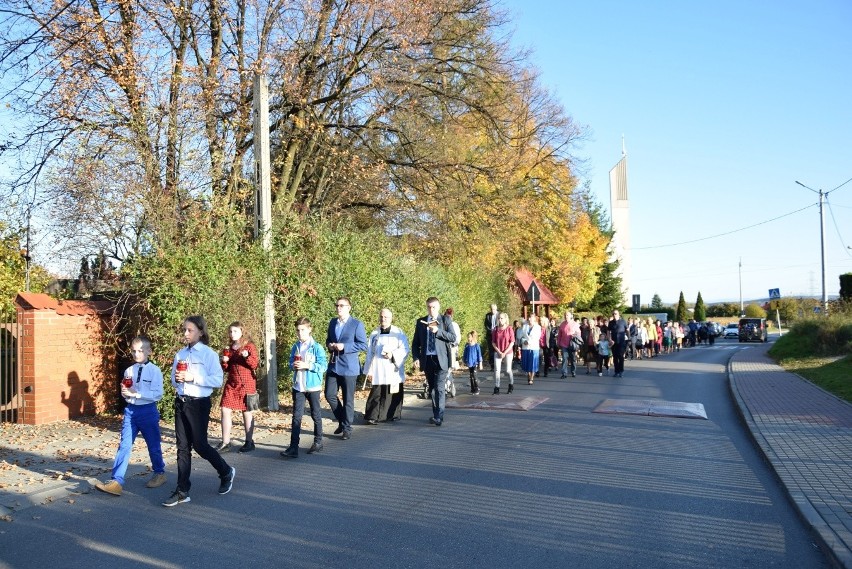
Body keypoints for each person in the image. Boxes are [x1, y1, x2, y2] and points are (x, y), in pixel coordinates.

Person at [163, 315, 235, 507]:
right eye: (184, 330)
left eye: (190, 330)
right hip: (181, 402)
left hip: (199, 404)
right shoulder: (180, 354)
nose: (186, 333)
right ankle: (182, 490)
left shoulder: (208, 354)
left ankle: (226, 471)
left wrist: (192, 377)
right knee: (182, 448)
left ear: (201, 332)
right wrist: (178, 379)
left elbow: (217, 380)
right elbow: (173, 380)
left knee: (200, 445)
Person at [95, 335, 166, 496]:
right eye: (134, 351)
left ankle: (159, 472)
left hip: (148, 411)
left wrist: (137, 394)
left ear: (149, 351)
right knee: (124, 445)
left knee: (153, 445)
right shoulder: (129, 370)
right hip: (131, 411)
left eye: (140, 351)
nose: (136, 354)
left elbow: (158, 394)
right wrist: (126, 394)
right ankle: (116, 481)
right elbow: (127, 393)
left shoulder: (155, 371)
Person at [281, 317, 328, 458]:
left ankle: (318, 441)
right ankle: (293, 447)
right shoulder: (296, 346)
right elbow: (291, 362)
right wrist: (292, 366)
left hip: (312, 386)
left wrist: (308, 365)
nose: (300, 333)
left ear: (309, 329)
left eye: (303, 330)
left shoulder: (317, 347)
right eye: (298, 330)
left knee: (315, 414)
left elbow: (323, 366)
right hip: (298, 386)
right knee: (296, 417)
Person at [325, 297, 367, 440]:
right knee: (329, 395)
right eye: (337, 305)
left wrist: (345, 347)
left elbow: (363, 345)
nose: (338, 308)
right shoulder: (332, 322)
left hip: (349, 367)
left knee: (348, 399)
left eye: (342, 305)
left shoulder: (356, 324)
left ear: (349, 307)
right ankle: (342, 421)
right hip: (333, 365)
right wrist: (330, 345)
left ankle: (347, 428)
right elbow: (328, 339)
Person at [411, 297, 457, 426]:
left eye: (434, 307)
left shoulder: (445, 320)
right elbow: (415, 344)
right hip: (427, 359)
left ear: (438, 307)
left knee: (439, 387)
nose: (431, 310)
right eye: (429, 307)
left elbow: (453, 337)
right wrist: (416, 358)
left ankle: (439, 416)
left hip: (441, 359)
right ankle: (436, 413)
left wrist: (439, 332)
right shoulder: (421, 322)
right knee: (432, 388)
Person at [218, 322, 260, 453]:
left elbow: (254, 365)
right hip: (232, 383)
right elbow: (227, 369)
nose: (232, 334)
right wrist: (224, 361)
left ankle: (249, 441)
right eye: (230, 331)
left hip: (246, 383)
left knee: (247, 412)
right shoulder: (229, 348)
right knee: (225, 409)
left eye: (235, 331)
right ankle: (225, 442)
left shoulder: (249, 346)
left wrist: (247, 357)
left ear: (242, 332)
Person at [363, 309, 409, 424]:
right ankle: (372, 416)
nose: (383, 319)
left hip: (391, 367)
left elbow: (405, 349)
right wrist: (368, 371)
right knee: (376, 393)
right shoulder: (374, 333)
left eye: (386, 317)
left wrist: (392, 355)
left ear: (391, 318)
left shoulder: (398, 332)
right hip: (378, 368)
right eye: (381, 316)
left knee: (391, 393)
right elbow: (370, 352)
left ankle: (391, 415)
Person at [491, 312, 515, 394]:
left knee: (508, 370)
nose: (500, 320)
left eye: (502, 318)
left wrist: (505, 352)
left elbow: (512, 342)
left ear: (505, 319)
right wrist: (499, 351)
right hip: (498, 351)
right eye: (499, 318)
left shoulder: (509, 329)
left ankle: (511, 384)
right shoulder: (495, 329)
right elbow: (493, 342)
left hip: (508, 352)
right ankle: (497, 387)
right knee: (497, 370)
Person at [557, 311, 581, 378]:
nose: (566, 316)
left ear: (571, 316)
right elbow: (559, 335)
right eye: (565, 315)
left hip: (572, 344)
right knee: (564, 359)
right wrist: (558, 342)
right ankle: (564, 373)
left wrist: (575, 335)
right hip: (564, 344)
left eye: (567, 315)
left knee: (572, 359)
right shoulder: (562, 324)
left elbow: (579, 333)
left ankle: (573, 371)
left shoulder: (575, 324)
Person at [608, 309, 629, 378]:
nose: (614, 315)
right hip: (614, 343)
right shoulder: (611, 322)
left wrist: (628, 338)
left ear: (618, 314)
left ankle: (621, 371)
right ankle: (616, 371)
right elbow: (608, 331)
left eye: (615, 314)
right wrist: (609, 339)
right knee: (615, 357)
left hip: (621, 342)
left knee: (621, 357)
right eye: (613, 314)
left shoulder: (623, 321)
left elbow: (627, 330)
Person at [521, 313, 541, 385]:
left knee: (533, 363)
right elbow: (522, 336)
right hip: (526, 347)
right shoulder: (524, 326)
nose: (529, 319)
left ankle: (531, 378)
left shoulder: (538, 327)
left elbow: (537, 337)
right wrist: (524, 341)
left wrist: (529, 341)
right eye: (529, 317)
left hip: (534, 347)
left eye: (531, 318)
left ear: (534, 319)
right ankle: (529, 375)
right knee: (527, 363)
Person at [483, 304, 499, 369]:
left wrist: (496, 331)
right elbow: (486, 325)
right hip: (490, 334)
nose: (493, 311)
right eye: (492, 309)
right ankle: (492, 365)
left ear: (496, 309)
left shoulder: (500, 315)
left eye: (494, 309)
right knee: (490, 349)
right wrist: (490, 331)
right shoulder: (488, 315)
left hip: (497, 335)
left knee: (497, 349)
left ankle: (497, 363)